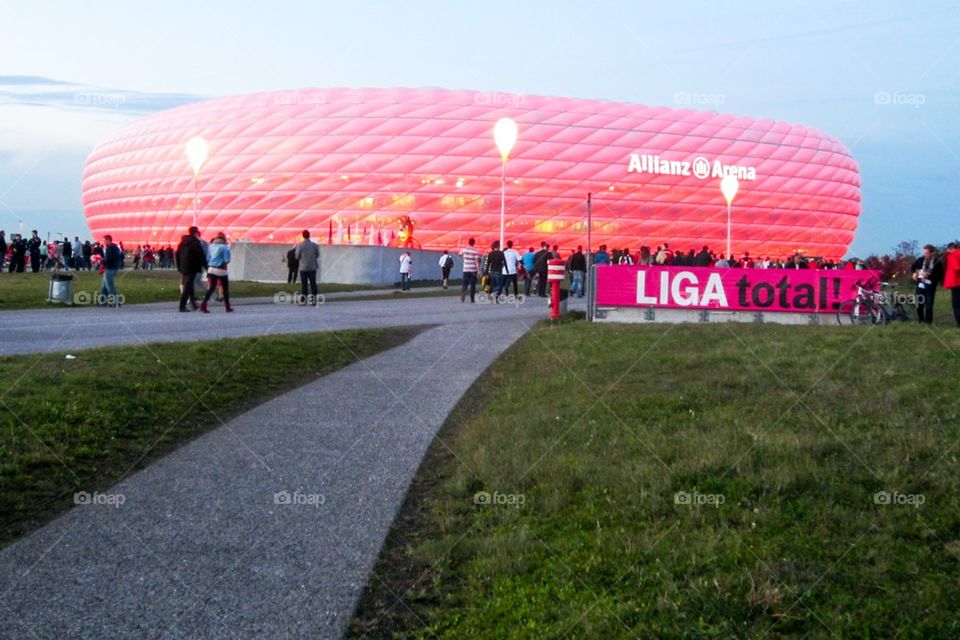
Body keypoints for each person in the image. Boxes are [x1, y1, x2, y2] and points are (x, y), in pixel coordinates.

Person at [175, 226, 207, 312]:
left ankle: (193, 304)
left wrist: (179, 267)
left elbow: (177, 255)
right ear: (195, 233)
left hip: (184, 267)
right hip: (192, 267)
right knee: (188, 286)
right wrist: (206, 267)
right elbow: (201, 255)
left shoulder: (182, 243)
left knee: (190, 285)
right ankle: (182, 306)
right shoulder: (195, 242)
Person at [911, 244, 944, 325]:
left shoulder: (937, 263)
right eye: (924, 253)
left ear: (932, 253)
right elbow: (912, 267)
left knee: (929, 304)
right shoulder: (920, 260)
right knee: (919, 303)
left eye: (927, 254)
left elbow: (941, 275)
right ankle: (920, 320)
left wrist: (931, 276)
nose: (925, 255)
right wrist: (914, 274)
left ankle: (928, 322)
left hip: (930, 286)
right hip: (920, 285)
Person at [200, 232, 233, 313]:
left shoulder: (210, 246)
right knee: (225, 289)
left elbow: (208, 258)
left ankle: (203, 304)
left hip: (211, 269)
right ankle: (227, 307)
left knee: (211, 288)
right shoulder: (225, 247)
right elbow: (227, 260)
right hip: (221, 269)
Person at [295, 229, 319, 303]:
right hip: (312, 267)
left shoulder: (300, 245)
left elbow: (297, 256)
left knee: (304, 284)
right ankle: (314, 299)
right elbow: (317, 255)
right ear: (309, 235)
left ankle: (304, 299)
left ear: (303, 236)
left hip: (303, 267)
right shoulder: (314, 245)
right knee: (313, 283)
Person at [99, 234, 122, 306]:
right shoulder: (116, 247)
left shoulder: (109, 248)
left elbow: (109, 260)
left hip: (109, 268)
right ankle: (102, 302)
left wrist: (101, 261)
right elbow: (120, 257)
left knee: (109, 286)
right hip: (114, 267)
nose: (103, 242)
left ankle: (115, 302)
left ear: (108, 240)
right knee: (104, 286)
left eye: (104, 240)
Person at [459, 238, 481, 303]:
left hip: (465, 269)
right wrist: (479, 270)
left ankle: (464, 290)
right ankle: (472, 299)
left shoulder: (464, 249)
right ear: (474, 243)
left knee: (464, 283)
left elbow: (459, 253)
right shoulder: (476, 251)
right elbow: (477, 262)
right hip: (473, 270)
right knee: (473, 285)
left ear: (468, 242)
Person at [944, 242, 960, 327]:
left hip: (956, 282)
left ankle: (959, 322)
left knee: (956, 303)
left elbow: (956, 267)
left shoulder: (951, 255)